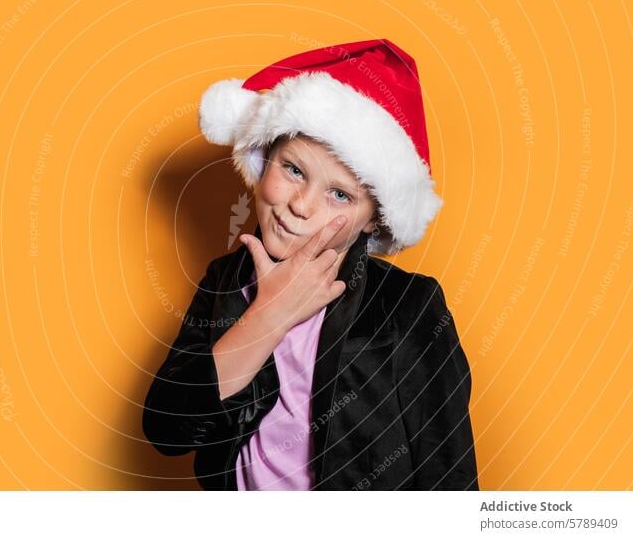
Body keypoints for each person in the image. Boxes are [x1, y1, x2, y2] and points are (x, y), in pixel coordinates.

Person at [142, 39, 479, 490]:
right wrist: (270, 316)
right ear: (263, 164)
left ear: (371, 219)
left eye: (340, 194)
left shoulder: (407, 306)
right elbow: (167, 429)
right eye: (293, 170)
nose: (300, 206)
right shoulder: (224, 281)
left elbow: (448, 473)